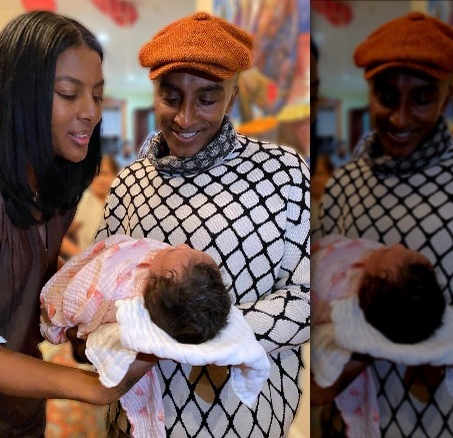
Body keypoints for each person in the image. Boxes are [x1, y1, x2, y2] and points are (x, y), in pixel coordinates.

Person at [96, 12, 311, 437]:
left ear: (231, 96)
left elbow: (309, 296)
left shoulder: (285, 174)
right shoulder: (131, 182)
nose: (186, 118)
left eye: (207, 99)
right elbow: (103, 287)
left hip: (244, 423)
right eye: (171, 96)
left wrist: (197, 333)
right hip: (139, 419)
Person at [315, 12, 453, 436]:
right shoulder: (346, 182)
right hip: (355, 419)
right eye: (387, 95)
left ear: (446, 96)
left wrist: (397, 331)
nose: (401, 116)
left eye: (422, 98)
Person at [0, 11, 155, 436]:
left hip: (22, 396)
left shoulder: (59, 174)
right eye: (69, 93)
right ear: (19, 96)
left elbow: (33, 272)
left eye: (98, 96)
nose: (91, 113)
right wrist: (93, 387)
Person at [42, 234, 230, 346]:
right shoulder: (167, 276)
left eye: (171, 252)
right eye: (188, 249)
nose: (181, 245)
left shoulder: (129, 303)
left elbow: (95, 310)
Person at [310, 234, 444, 344]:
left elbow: (315, 311)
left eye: (386, 252)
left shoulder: (348, 305)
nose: (398, 245)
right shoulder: (377, 262)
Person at [60, 154, 119, 259]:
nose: (100, 179)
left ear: (115, 175)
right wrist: (82, 255)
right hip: (89, 265)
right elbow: (59, 237)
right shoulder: (82, 202)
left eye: (105, 174)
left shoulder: (120, 201)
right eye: (95, 174)